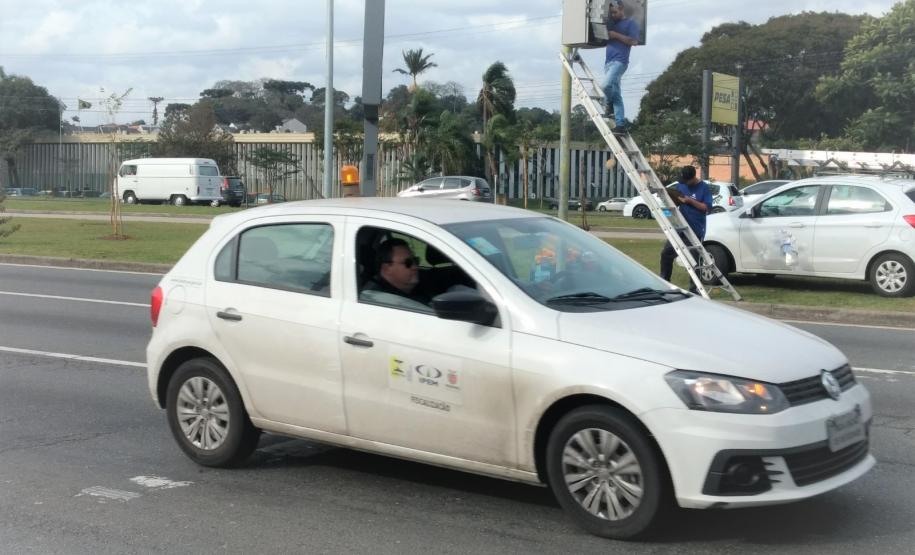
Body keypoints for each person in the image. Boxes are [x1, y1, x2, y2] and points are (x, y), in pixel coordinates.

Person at [659, 166, 713, 291]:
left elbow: (706, 208)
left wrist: (690, 201)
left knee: (694, 259)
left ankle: (694, 289)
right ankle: (665, 283)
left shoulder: (704, 188)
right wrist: (667, 198)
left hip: (695, 228)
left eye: (687, 181)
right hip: (680, 227)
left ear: (693, 177)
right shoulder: (681, 185)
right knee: (666, 254)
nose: (685, 183)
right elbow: (676, 202)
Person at [601, 0, 640, 132]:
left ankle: (608, 104)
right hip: (608, 62)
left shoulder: (630, 23)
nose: (613, 15)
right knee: (616, 94)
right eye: (611, 13)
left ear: (621, 9)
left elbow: (634, 41)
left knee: (605, 85)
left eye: (615, 12)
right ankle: (620, 125)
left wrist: (615, 35)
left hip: (620, 61)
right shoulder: (611, 24)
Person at [363, 238, 431, 306]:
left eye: (416, 260)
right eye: (408, 263)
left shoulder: (421, 285)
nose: (415, 267)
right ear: (386, 269)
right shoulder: (379, 300)